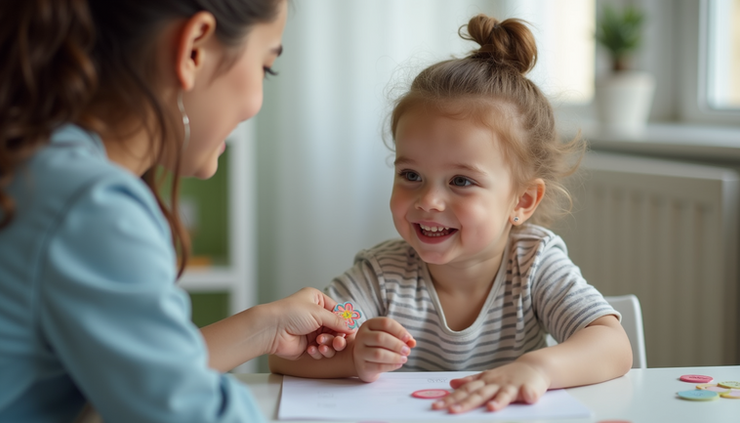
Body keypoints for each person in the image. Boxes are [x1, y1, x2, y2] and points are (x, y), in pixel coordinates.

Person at [0, 1, 356, 422]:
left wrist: (267, 325)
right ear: (194, 49)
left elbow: (132, 379)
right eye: (265, 67)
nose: (257, 101)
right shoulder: (91, 207)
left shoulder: (46, 168)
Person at [269, 13, 633, 414]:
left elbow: (613, 345)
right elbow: (286, 352)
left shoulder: (534, 263)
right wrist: (351, 358)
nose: (428, 201)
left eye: (461, 181)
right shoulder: (382, 275)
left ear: (522, 201)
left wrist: (537, 369)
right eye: (411, 175)